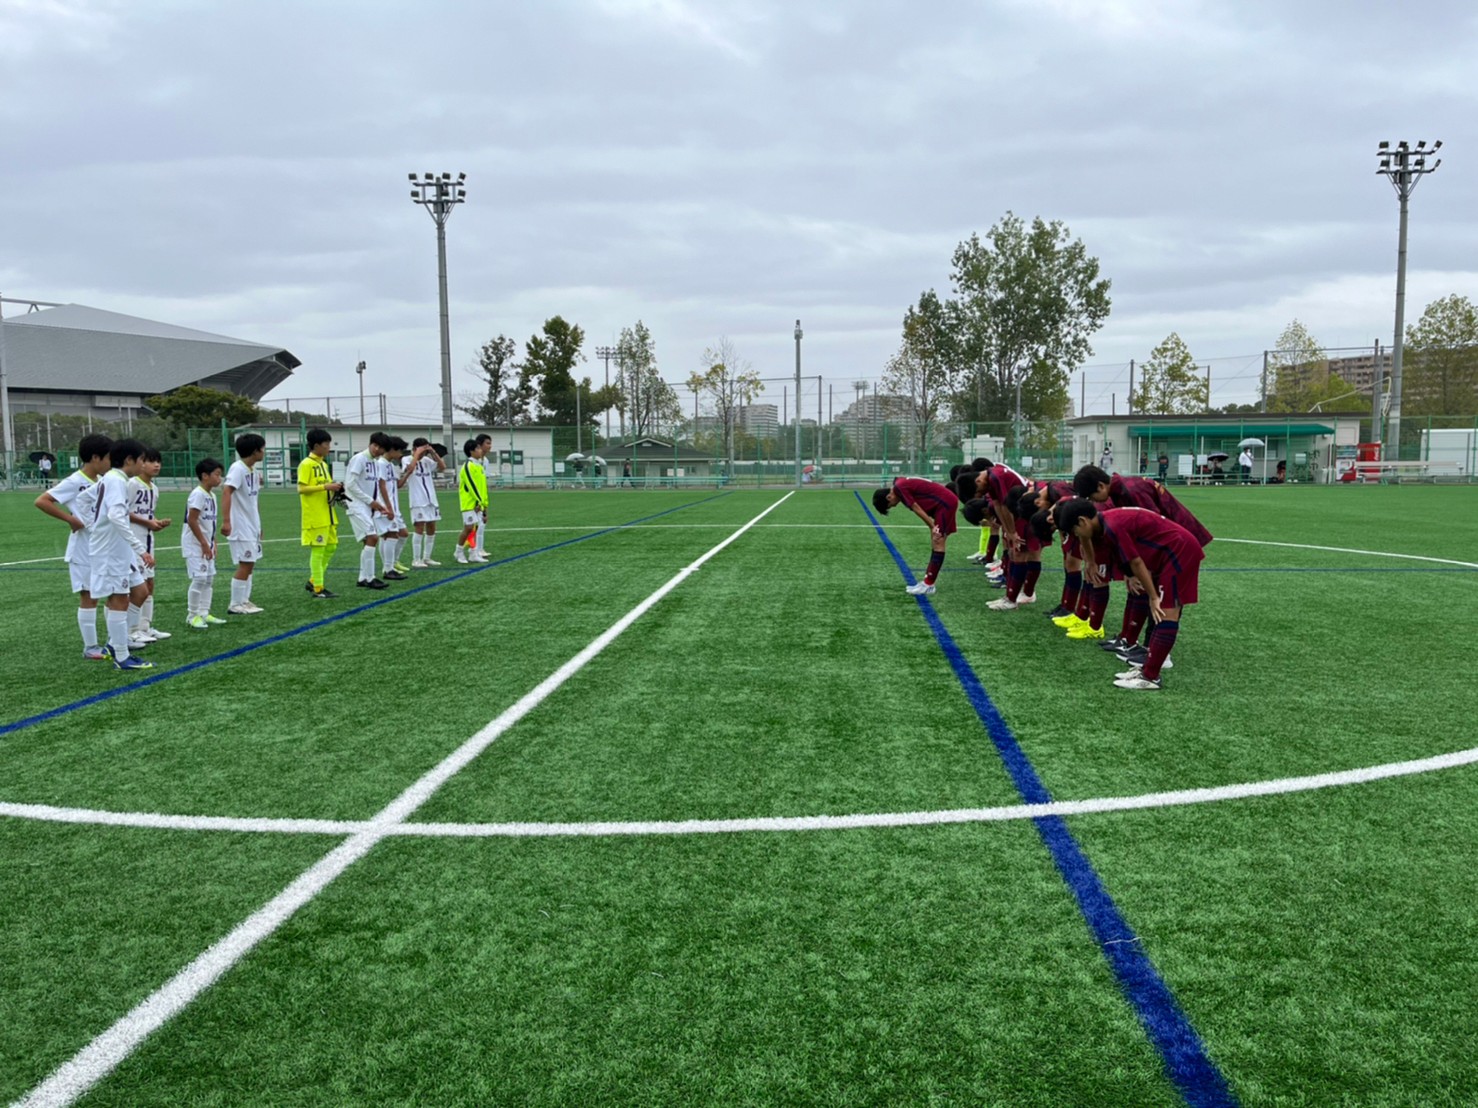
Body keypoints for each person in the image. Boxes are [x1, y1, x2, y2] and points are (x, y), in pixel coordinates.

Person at [1056, 499, 1204, 691]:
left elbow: (1136, 562)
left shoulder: (1113, 526)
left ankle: (1151, 676)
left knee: (1165, 610)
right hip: (1166, 553)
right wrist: (1091, 562)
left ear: (1082, 521)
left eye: (1074, 531)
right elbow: (1089, 539)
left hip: (1179, 551)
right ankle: (1148, 668)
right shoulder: (1101, 524)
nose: (1076, 536)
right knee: (1161, 608)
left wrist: (1152, 596)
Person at [34, 433, 113, 660]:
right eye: (108, 458)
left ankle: (116, 639)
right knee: (89, 596)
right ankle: (90, 647)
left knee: (110, 592)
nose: (110, 463)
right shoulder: (74, 481)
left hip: (102, 546)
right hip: (83, 549)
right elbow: (42, 501)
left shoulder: (102, 482)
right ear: (95, 458)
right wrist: (70, 519)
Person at [86, 439, 156, 670]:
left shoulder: (114, 480)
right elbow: (116, 516)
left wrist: (94, 521)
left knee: (140, 591)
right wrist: (140, 548)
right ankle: (121, 656)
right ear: (129, 461)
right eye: (142, 460)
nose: (144, 464)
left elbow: (83, 498)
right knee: (119, 599)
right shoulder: (116, 480)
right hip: (110, 552)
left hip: (118, 550)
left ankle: (117, 643)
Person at [872, 476, 959, 597]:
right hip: (942, 503)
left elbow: (915, 507)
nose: (895, 506)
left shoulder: (899, 488)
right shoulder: (899, 484)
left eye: (891, 505)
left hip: (944, 503)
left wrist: (932, 526)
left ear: (889, 497)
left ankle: (929, 584)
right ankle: (927, 582)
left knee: (938, 542)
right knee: (936, 541)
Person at [126, 447, 172, 647]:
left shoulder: (154, 488)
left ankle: (145, 627)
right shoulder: (131, 484)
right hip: (132, 542)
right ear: (140, 462)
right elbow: (122, 512)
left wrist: (156, 522)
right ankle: (132, 630)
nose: (156, 465)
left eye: (158, 461)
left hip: (147, 540)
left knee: (150, 584)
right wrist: (147, 522)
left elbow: (147, 514)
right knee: (137, 587)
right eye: (151, 461)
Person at [221, 432, 266, 615]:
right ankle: (235, 604)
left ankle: (244, 600)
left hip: (251, 525)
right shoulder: (237, 468)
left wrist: (259, 525)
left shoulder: (253, 471)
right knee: (245, 563)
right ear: (255, 451)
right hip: (240, 526)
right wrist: (226, 521)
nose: (264, 452)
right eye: (262, 449)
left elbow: (253, 500)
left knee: (251, 563)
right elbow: (226, 492)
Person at [182, 458, 226, 630]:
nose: (219, 478)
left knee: (208, 579)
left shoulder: (212, 495)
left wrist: (213, 541)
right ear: (204, 476)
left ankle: (204, 612)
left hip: (206, 543)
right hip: (195, 544)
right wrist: (203, 543)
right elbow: (192, 520)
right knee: (199, 578)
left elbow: (211, 522)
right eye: (216, 474)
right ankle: (192, 615)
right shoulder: (198, 494)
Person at [298, 428, 342, 599]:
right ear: (316, 445)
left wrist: (336, 488)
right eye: (326, 444)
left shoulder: (323, 464)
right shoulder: (306, 464)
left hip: (328, 515)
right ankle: (318, 587)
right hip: (315, 516)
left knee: (331, 547)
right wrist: (326, 486)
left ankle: (313, 580)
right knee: (318, 551)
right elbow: (301, 488)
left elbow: (325, 485)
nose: (328, 447)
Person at [344, 432, 391, 589]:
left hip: (367, 506)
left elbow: (374, 486)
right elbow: (350, 484)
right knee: (373, 538)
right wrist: (371, 502)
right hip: (356, 505)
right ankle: (370, 578)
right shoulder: (359, 459)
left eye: (382, 449)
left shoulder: (375, 463)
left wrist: (378, 504)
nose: (378, 451)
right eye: (377, 447)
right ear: (372, 444)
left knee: (368, 540)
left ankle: (363, 578)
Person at [406, 438, 446, 567]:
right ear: (415, 448)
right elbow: (409, 469)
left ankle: (427, 557)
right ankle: (416, 559)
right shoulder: (406, 459)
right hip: (418, 499)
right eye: (422, 449)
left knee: (432, 527)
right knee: (419, 527)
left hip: (431, 499)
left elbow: (442, 467)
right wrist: (417, 455)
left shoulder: (427, 461)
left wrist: (433, 453)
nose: (424, 452)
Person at [376, 437, 410, 581]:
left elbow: (397, 485)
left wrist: (407, 473)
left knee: (402, 534)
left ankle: (390, 565)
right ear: (392, 449)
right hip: (386, 507)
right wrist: (388, 507)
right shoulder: (381, 464)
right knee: (390, 535)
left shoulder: (390, 465)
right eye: (399, 450)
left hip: (394, 507)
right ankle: (388, 568)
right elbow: (381, 486)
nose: (400, 454)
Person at [456, 438, 489, 564]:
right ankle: (458, 551)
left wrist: (484, 505)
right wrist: (478, 502)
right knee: (468, 528)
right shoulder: (468, 466)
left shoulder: (479, 466)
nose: (481, 451)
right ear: (471, 451)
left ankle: (473, 553)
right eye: (478, 448)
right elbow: (472, 486)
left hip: (478, 504)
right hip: (469, 503)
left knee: (474, 528)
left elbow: (482, 487)